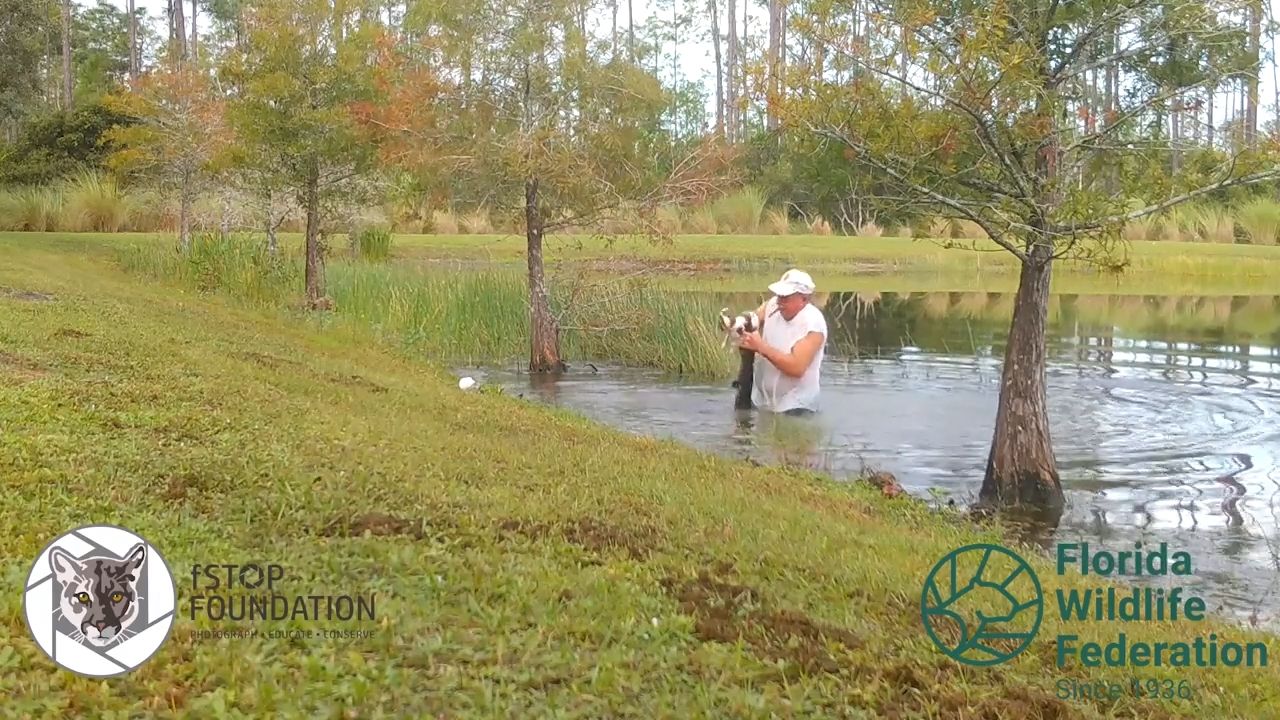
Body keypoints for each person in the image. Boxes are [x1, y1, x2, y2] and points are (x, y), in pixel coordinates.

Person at [738, 268, 828, 415]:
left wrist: (760, 347)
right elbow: (754, 317)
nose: (779, 301)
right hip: (761, 402)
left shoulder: (813, 325)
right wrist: (739, 321)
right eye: (779, 295)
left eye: (786, 297)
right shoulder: (773, 304)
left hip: (797, 407)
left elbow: (796, 368)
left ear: (804, 299)